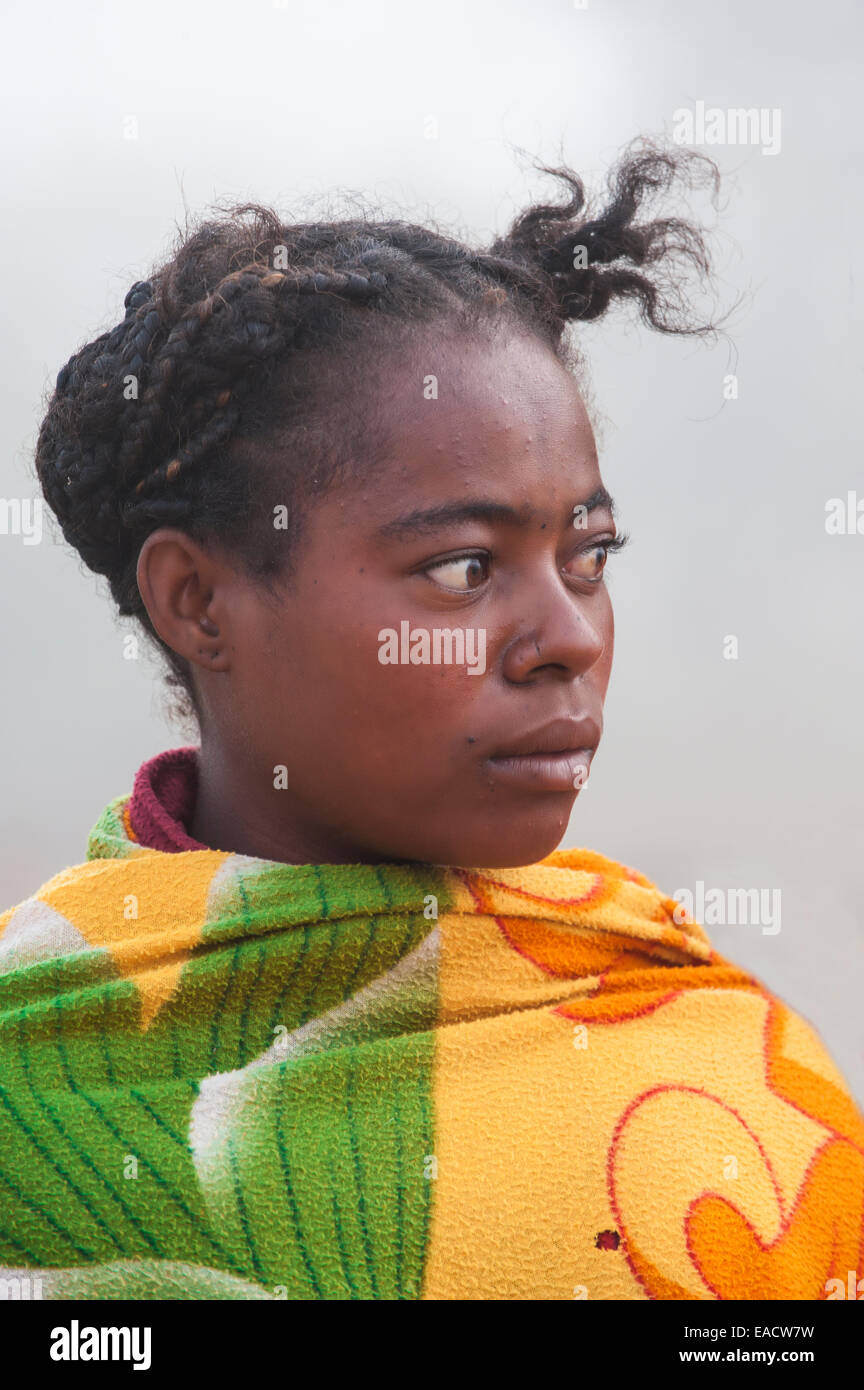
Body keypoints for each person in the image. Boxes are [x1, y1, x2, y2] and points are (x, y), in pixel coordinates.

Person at [2, 143, 861, 1300]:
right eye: (464, 567)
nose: (571, 635)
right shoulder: (29, 1073)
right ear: (198, 600)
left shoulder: (722, 1065)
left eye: (587, 554)